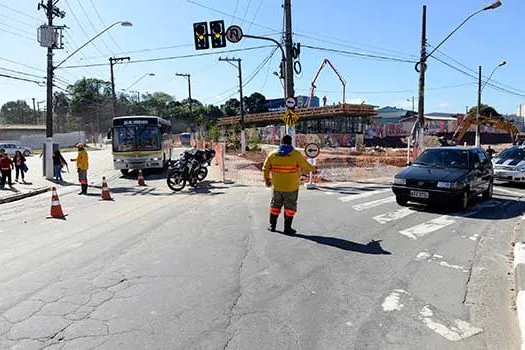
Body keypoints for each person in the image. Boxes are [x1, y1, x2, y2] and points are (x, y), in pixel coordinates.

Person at [262, 135, 315, 235]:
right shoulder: (296, 154)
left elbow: (265, 168)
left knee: (275, 206)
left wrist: (267, 180)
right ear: (291, 143)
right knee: (290, 208)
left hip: (277, 187)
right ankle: (287, 228)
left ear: (281, 142)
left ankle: (272, 226)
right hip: (292, 188)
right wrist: (313, 169)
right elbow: (306, 167)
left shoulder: (272, 154)